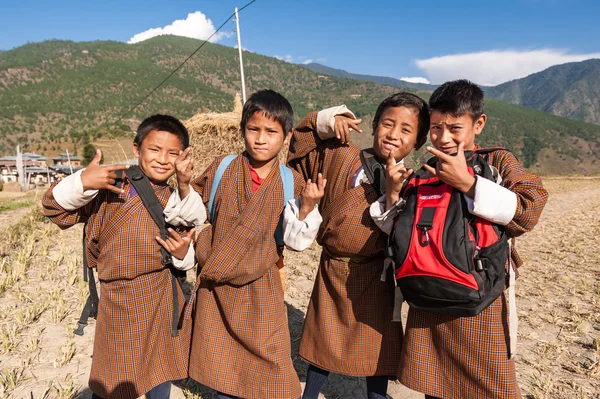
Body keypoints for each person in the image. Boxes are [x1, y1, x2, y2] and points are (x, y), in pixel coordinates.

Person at [392, 80, 549, 399]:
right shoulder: (426, 169)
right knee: (433, 384)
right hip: (429, 296)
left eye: (454, 127)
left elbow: (530, 208)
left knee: (486, 388)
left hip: (481, 300)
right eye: (435, 127)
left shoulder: (497, 161)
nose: (443, 137)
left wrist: (469, 184)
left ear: (478, 124)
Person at [165, 89, 325, 399]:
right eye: (253, 129)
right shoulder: (222, 168)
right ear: (242, 130)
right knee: (221, 365)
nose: (261, 139)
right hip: (217, 285)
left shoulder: (291, 181)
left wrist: (305, 209)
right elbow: (196, 213)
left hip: (262, 285)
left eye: (271, 132)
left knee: (269, 365)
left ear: (287, 134)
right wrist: (184, 184)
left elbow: (295, 243)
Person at [42, 115, 197, 399]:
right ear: (137, 150)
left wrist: (184, 254)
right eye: (154, 149)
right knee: (112, 376)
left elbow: (191, 247)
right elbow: (55, 211)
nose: (163, 159)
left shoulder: (179, 198)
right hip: (119, 299)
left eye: (172, 153)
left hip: (163, 294)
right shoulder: (111, 185)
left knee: (159, 367)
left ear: (183, 157)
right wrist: (83, 182)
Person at [287, 92, 430, 399]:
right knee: (321, 342)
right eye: (388, 124)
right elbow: (300, 143)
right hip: (333, 267)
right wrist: (329, 120)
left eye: (406, 130)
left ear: (417, 143)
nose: (393, 134)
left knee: (375, 350)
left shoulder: (414, 184)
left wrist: (394, 193)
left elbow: (404, 237)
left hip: (377, 275)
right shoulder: (342, 155)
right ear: (375, 125)